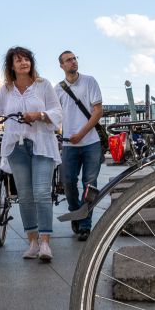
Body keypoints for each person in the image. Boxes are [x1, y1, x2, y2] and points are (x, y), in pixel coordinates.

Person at [0, 47, 62, 261]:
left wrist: (39, 114)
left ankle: (45, 242)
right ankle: (32, 241)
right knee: (25, 196)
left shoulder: (43, 85)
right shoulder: (7, 89)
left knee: (41, 192)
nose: (23, 63)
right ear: (11, 65)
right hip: (15, 147)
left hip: (41, 144)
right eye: (18, 60)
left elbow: (58, 111)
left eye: (27, 59)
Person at [55, 50, 104, 242]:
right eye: (68, 60)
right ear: (61, 66)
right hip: (69, 145)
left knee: (89, 184)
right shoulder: (57, 89)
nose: (73, 62)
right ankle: (75, 211)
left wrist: (81, 134)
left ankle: (85, 225)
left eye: (75, 58)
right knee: (68, 182)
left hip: (91, 142)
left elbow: (98, 111)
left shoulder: (89, 81)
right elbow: (53, 115)